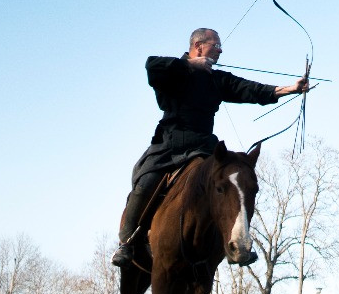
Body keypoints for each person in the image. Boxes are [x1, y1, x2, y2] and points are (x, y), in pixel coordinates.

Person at [110, 28, 307, 267]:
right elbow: (152, 66)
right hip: (168, 145)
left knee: (229, 186)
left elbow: (250, 89)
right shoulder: (173, 71)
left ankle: (235, 243)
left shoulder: (216, 79)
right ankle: (127, 243)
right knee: (144, 185)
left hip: (203, 147)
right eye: (216, 45)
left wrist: (289, 89)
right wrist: (191, 66)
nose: (221, 50)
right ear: (199, 46)